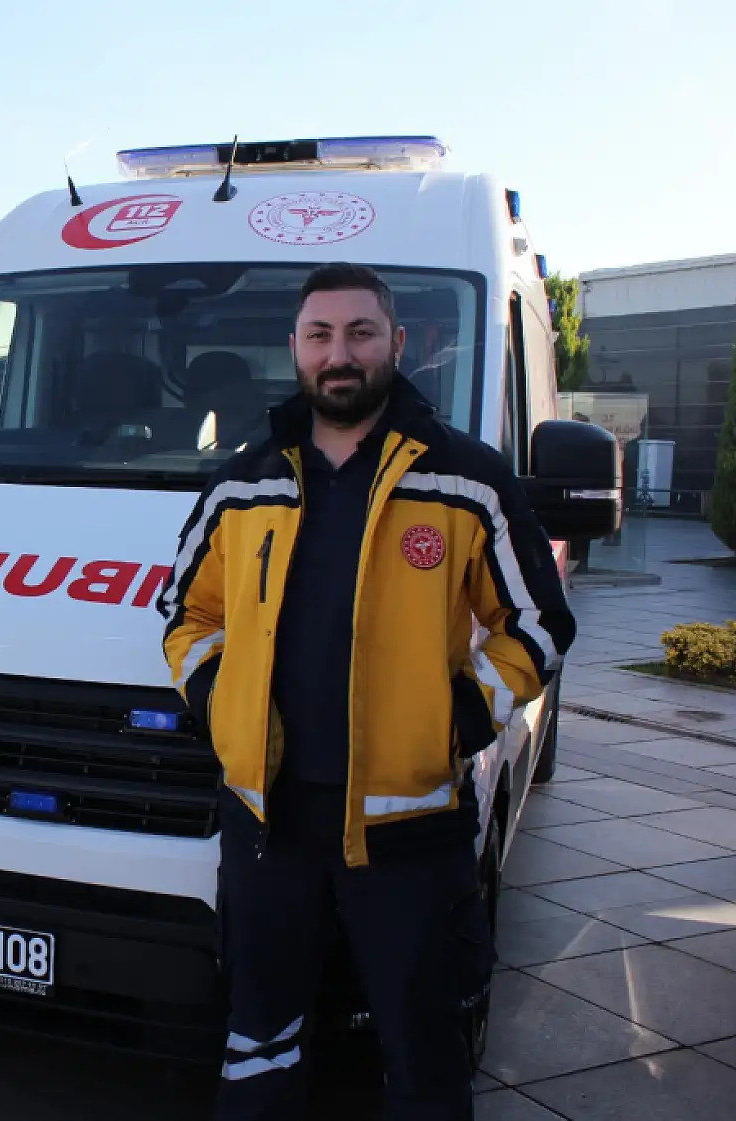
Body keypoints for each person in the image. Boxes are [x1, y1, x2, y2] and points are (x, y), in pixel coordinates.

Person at [159, 264, 574, 1120]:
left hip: (410, 836)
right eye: (320, 335)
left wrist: (458, 719)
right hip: (267, 831)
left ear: (398, 343)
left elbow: (537, 623)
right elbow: (183, 611)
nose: (338, 354)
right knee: (258, 1051)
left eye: (359, 332)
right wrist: (215, 699)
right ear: (295, 351)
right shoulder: (244, 480)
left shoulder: (467, 478)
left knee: (425, 1060)